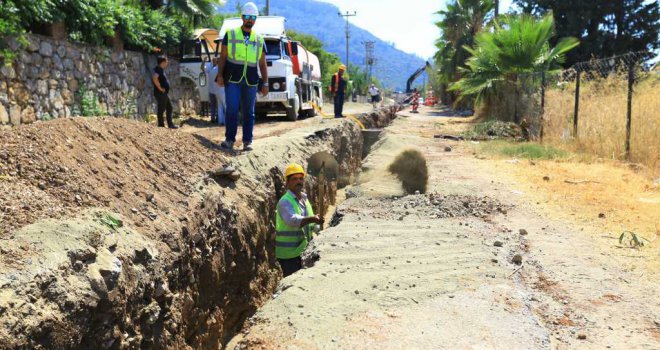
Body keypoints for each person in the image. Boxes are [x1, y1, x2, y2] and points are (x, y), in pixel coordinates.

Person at [216, 2, 268, 151]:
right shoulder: (230, 34)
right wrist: (219, 75)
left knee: (249, 112)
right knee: (232, 109)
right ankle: (229, 140)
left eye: (253, 17)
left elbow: (263, 64)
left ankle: (248, 141)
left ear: (255, 19)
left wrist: (265, 83)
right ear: (242, 17)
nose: (250, 20)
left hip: (251, 80)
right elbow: (223, 57)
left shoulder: (259, 39)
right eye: (247, 17)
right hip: (232, 78)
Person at [275, 163, 324, 277]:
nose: (299, 181)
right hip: (289, 255)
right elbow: (293, 220)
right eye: (294, 179)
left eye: (301, 179)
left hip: (304, 250)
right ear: (287, 182)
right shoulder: (285, 201)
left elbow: (310, 225)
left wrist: (318, 227)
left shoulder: (304, 199)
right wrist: (313, 219)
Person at [152, 55, 178, 129]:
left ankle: (169, 124)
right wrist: (160, 88)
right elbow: (154, 78)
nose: (167, 62)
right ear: (163, 62)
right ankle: (161, 125)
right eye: (166, 61)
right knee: (162, 108)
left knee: (169, 107)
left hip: (163, 93)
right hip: (160, 93)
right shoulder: (158, 69)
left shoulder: (160, 69)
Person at [202, 57, 219, 123]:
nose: (213, 61)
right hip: (212, 90)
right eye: (213, 60)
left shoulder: (217, 68)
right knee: (213, 105)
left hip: (217, 90)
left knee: (217, 105)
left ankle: (217, 118)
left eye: (215, 60)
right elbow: (202, 68)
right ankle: (213, 119)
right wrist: (203, 61)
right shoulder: (210, 67)